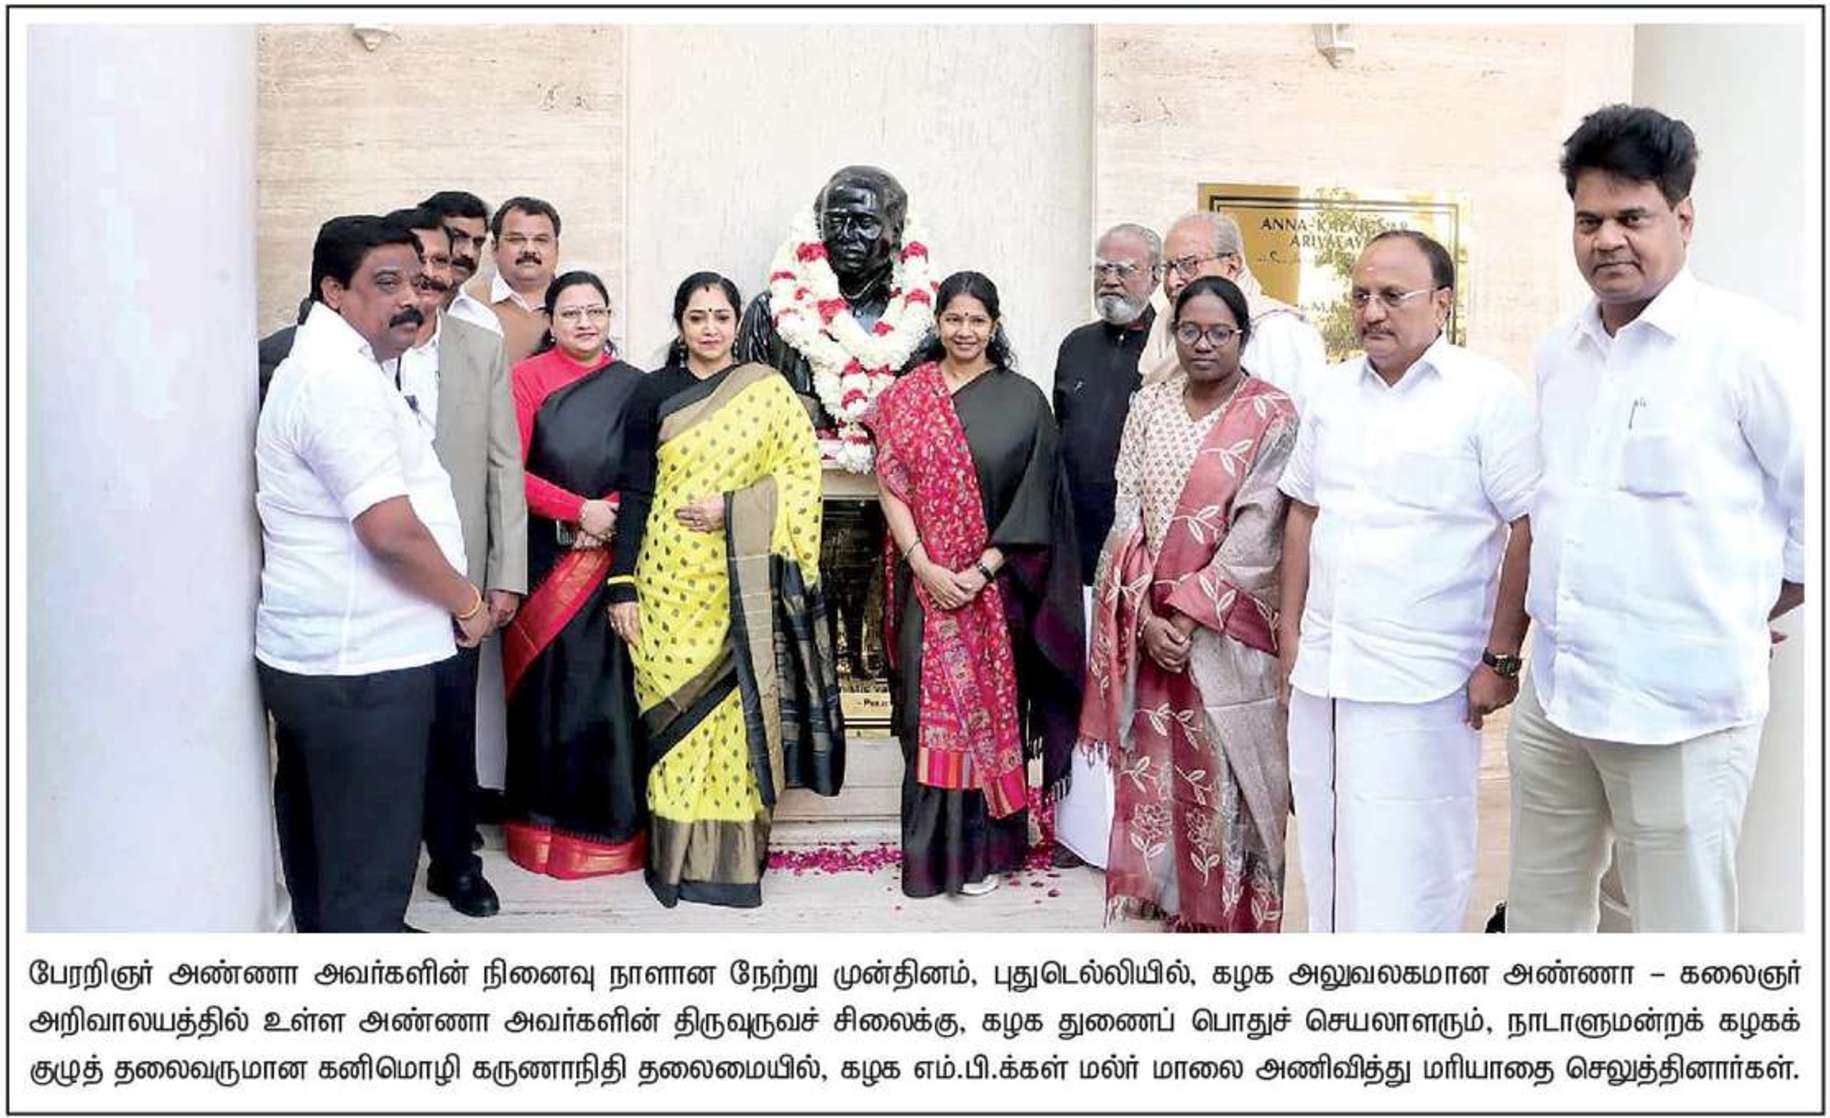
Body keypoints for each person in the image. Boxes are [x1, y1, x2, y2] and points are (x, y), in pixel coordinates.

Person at [1507, 105, 1804, 933]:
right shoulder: (1559, 351)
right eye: (1589, 220)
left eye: (1632, 217)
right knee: (1540, 923)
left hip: (1682, 709)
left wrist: (1748, 602)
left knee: (1679, 937)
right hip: (1558, 697)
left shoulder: (1751, 347)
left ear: (1683, 218)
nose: (1607, 240)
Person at [1278, 229, 1539, 933]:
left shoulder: (1487, 395)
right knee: (1330, 857)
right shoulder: (1331, 392)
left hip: (1427, 681)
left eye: (1393, 295)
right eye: (1361, 296)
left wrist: (1501, 658)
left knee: (1414, 861)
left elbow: (1529, 526)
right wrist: (1289, 635)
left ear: (1442, 302)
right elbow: (1303, 511)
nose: (1372, 312)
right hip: (1326, 673)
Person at [255, 214, 490, 933]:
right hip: (362, 665)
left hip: (339, 659)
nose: (410, 298)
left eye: (417, 282)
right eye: (386, 283)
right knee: (367, 868)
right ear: (333, 290)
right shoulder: (336, 381)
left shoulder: (341, 368)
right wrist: (466, 601)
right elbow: (389, 532)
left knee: (330, 854)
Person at [607, 272, 845, 908]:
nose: (709, 328)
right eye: (697, 317)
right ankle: (673, 861)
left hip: (742, 581)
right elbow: (635, 490)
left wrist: (734, 507)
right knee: (670, 712)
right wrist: (622, 582)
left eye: (720, 316)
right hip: (667, 579)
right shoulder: (652, 391)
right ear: (679, 324)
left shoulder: (766, 389)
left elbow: (801, 478)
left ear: (737, 323)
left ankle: (731, 865)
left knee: (737, 720)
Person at [1081, 275, 1299, 931]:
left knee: (1226, 771)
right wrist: (1145, 617)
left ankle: (1226, 912)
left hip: (1228, 632)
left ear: (1244, 337)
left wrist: (1185, 613)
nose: (1204, 344)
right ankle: (1170, 897)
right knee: (1161, 767)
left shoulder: (1272, 414)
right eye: (1190, 331)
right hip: (1152, 625)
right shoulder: (1148, 404)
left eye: (1219, 333)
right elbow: (1127, 514)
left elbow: (1261, 530)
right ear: (1172, 334)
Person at [864, 271, 1084, 898]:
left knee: (988, 716)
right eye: (954, 319)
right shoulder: (908, 396)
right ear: (937, 323)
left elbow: (1035, 497)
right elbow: (890, 484)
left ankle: (985, 852)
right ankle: (931, 857)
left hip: (995, 588)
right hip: (923, 587)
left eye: (977, 320)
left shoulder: (1024, 401)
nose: (965, 331)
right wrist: (923, 564)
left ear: (994, 325)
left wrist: (981, 570)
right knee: (921, 718)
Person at [384, 206, 529, 919]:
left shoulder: (480, 345)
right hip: (373, 571)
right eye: (421, 263)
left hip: (459, 576)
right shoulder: (364, 344)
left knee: (451, 723)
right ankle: (383, 869)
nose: (434, 275)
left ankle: (454, 863)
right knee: (386, 727)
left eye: (444, 262)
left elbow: (504, 462)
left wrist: (505, 574)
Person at [500, 271, 648, 880]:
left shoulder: (636, 386)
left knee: (606, 698)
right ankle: (536, 833)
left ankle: (608, 836)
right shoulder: (525, 379)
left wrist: (609, 514)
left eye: (595, 312)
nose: (585, 323)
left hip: (615, 563)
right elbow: (507, 471)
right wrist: (576, 510)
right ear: (551, 322)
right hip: (545, 563)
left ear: (609, 317)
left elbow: (649, 469)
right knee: (545, 699)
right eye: (571, 313)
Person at [1051, 222, 1162, 871]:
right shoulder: (1075, 346)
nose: (1111, 279)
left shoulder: (1170, 348)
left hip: (1141, 562)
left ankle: (1133, 839)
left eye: (1125, 268)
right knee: (1079, 693)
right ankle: (1078, 834)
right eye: (1103, 267)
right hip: (1078, 554)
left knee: (1133, 703)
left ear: (1155, 276)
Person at [1140, 211, 1326, 403]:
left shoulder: (1277, 330)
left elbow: (1297, 414)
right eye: (1167, 268)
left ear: (1231, 266)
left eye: (1188, 265)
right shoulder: (1164, 323)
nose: (1172, 281)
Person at [465, 196, 562, 365]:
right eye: (516, 239)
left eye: (541, 240)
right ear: (495, 248)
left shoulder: (580, 307)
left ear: (556, 249)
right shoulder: (468, 306)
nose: (529, 250)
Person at [420, 190, 502, 336]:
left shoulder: (482, 321)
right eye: (458, 237)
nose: (469, 253)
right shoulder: (389, 309)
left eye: (478, 243)